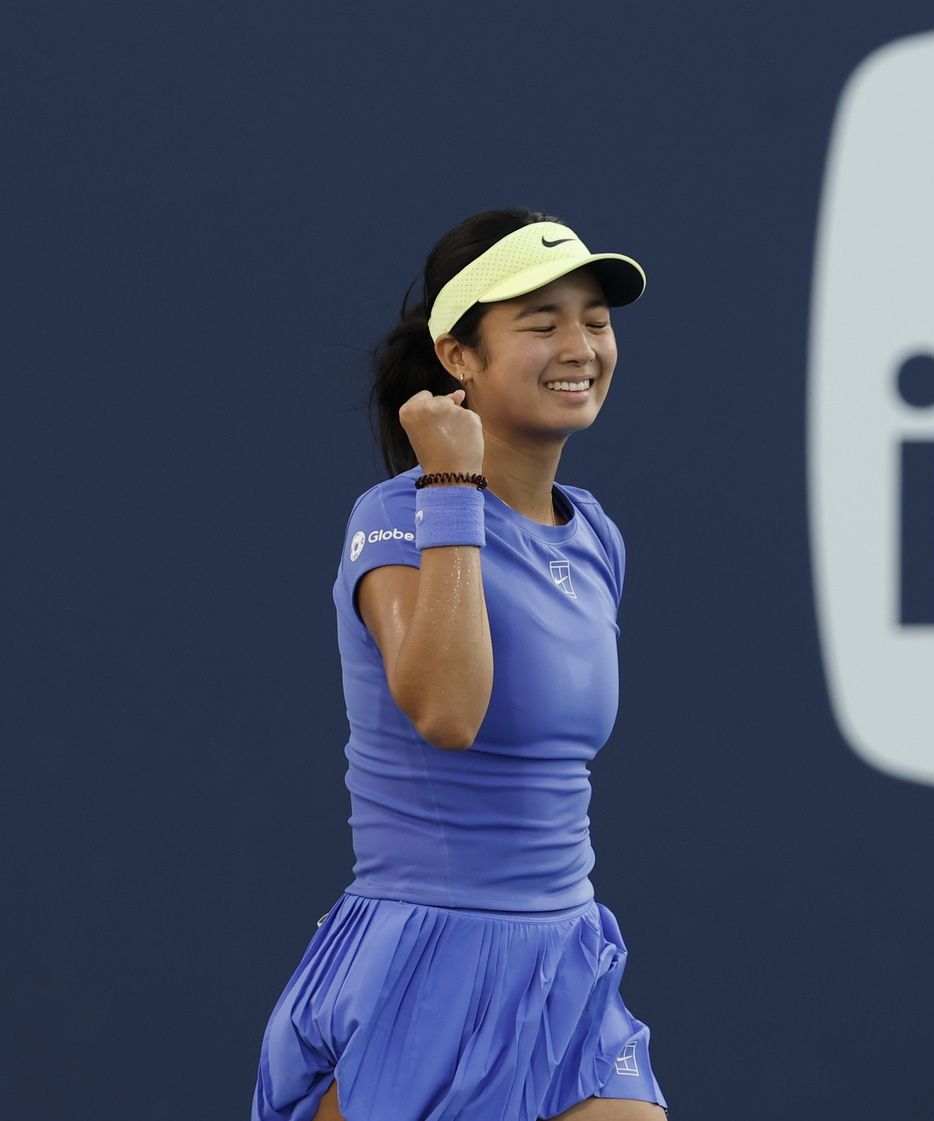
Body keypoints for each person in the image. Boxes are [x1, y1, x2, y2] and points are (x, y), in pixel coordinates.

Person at [251, 208, 668, 1121]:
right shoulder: (395, 517)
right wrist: (450, 485)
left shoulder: (594, 533)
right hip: (427, 970)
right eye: (540, 321)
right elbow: (446, 710)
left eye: (595, 319)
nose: (580, 345)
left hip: (564, 965)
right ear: (457, 356)